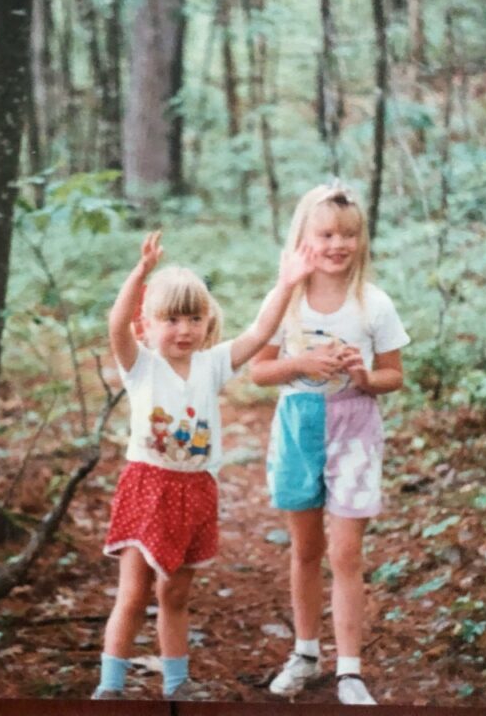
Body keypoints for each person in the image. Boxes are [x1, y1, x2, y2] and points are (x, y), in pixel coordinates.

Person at [93, 231, 316, 700]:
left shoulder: (213, 363)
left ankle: (177, 683)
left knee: (175, 594)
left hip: (195, 490)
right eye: (171, 319)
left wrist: (287, 282)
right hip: (148, 485)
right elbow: (116, 326)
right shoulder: (141, 366)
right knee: (133, 593)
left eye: (194, 318)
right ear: (148, 326)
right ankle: (110, 687)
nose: (184, 329)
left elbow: (258, 333)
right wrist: (141, 274)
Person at [250, 184, 409, 705]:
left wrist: (364, 376)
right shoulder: (287, 301)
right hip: (298, 426)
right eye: (326, 234)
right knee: (306, 549)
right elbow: (259, 370)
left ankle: (349, 670)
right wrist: (300, 364)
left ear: (361, 240)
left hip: (354, 430)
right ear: (304, 238)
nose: (338, 244)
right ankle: (304, 652)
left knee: (345, 552)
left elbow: (394, 376)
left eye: (349, 234)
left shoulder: (373, 303)